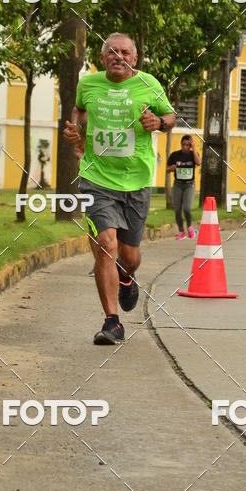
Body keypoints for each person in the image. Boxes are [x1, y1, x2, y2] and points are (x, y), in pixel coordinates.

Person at [63, 33, 176, 345]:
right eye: (112, 52)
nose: (118, 56)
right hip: (97, 178)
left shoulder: (149, 84)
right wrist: (77, 134)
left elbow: (170, 115)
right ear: (102, 58)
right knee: (104, 244)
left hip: (137, 181)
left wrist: (160, 124)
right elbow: (80, 110)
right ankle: (112, 322)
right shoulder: (88, 84)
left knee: (130, 255)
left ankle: (127, 277)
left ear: (135, 59)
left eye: (125, 52)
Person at [167, 135, 201, 239]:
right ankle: (181, 231)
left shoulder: (193, 154)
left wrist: (194, 148)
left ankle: (190, 226)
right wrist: (170, 169)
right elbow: (167, 169)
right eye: (183, 145)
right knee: (177, 209)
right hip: (178, 185)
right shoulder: (175, 155)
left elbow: (198, 162)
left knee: (187, 208)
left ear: (190, 146)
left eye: (188, 145)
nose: (185, 147)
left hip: (189, 185)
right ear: (181, 144)